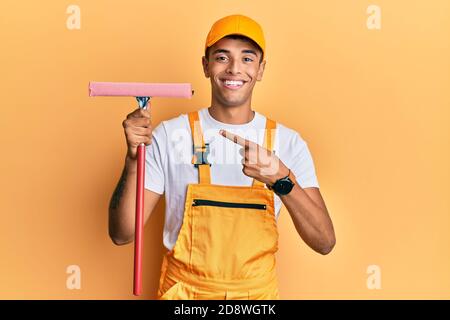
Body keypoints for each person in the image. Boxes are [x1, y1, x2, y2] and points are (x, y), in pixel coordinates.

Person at [108, 14, 336, 300]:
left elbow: (325, 241)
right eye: (222, 57)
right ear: (206, 65)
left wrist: (281, 179)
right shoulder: (168, 135)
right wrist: (132, 159)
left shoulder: (288, 143)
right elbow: (122, 233)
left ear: (261, 69)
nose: (234, 69)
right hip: (185, 300)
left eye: (247, 58)